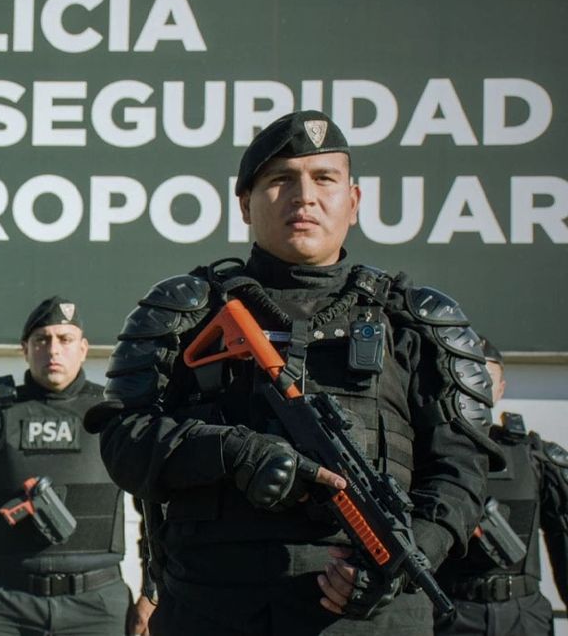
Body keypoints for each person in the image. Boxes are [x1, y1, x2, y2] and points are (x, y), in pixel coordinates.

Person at [84, 110, 503, 635]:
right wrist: (233, 451)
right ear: (244, 204)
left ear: (353, 201)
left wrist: (401, 560)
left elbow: (462, 472)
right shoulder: (185, 312)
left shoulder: (416, 323)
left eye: (324, 178)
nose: (303, 196)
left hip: (372, 618)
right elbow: (123, 441)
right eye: (280, 179)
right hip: (214, 611)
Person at [0, 297, 155, 636]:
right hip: (5, 605)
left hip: (98, 606)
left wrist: (153, 594)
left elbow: (158, 513)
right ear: (25, 349)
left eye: (65, 339)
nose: (53, 350)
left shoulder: (117, 417)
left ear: (84, 348)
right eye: (42, 340)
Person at [434, 337, 568, 636]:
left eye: (487, 379)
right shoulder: (430, 456)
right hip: (450, 612)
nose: (479, 387)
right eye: (471, 375)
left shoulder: (535, 457)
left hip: (523, 616)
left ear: (501, 388)